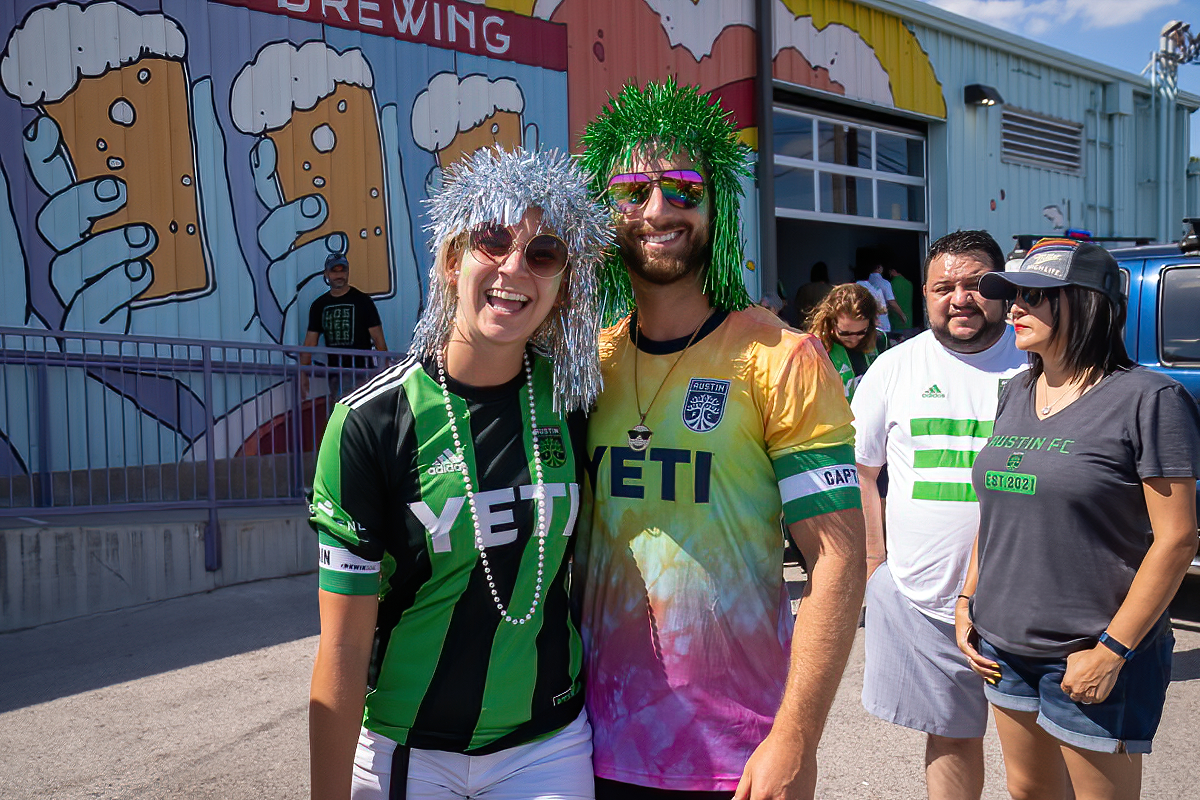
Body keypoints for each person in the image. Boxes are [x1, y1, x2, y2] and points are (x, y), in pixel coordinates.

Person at [576, 79, 866, 800]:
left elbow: (837, 557)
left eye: (681, 187)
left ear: (717, 206)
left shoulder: (782, 358)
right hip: (588, 743)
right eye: (631, 189)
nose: (656, 209)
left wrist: (795, 737)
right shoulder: (590, 364)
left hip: (740, 756)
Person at [308, 146, 612, 800]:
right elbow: (341, 649)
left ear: (562, 286)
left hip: (547, 748)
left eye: (543, 254)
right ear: (451, 261)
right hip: (406, 749)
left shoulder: (581, 404)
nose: (513, 268)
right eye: (492, 241)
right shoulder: (369, 425)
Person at [957, 238, 1200, 800]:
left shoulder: (1149, 397)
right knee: (1028, 792)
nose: (1012, 308)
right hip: (1003, 645)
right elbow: (997, 507)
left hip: (1093, 649)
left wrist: (1113, 650)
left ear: (1087, 303)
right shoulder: (1016, 390)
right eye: (1012, 295)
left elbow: (1177, 539)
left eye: (1033, 296)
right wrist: (968, 601)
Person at [851, 230, 1026, 800]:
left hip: (1024, 600)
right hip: (921, 597)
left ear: (1002, 288)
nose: (961, 298)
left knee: (1038, 759)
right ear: (923, 294)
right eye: (944, 286)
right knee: (951, 739)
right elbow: (864, 469)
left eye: (977, 284)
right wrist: (876, 562)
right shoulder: (892, 368)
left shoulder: (1036, 366)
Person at [301, 253, 388, 399]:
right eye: (334, 271)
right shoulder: (319, 305)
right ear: (326, 274)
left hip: (362, 372)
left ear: (348, 272)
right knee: (342, 415)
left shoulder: (362, 301)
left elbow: (378, 339)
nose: (339, 275)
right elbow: (310, 342)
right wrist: (302, 373)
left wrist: (385, 371)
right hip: (336, 373)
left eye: (342, 270)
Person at [805, 283, 885, 400]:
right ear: (831, 323)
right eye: (845, 333)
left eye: (861, 332)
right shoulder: (815, 349)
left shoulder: (880, 340)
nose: (853, 339)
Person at [792, 261, 832, 326]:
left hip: (807, 325)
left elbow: (799, 309)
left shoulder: (804, 289)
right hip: (825, 326)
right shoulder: (832, 290)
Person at [886, 266, 916, 335]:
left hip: (895, 321)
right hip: (909, 320)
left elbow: (890, 303)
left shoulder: (890, 284)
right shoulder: (909, 284)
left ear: (893, 271)